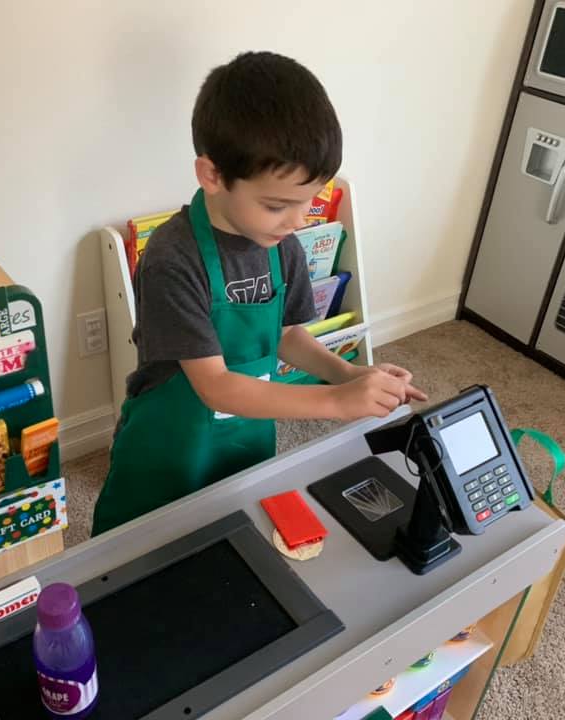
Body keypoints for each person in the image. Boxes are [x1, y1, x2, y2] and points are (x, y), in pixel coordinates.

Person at [91, 51, 426, 535]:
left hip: (245, 439)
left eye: (309, 201)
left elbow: (286, 335)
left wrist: (348, 373)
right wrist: (336, 402)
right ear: (212, 175)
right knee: (142, 548)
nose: (298, 220)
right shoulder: (172, 258)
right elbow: (216, 386)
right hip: (167, 449)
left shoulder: (281, 245)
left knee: (234, 534)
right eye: (276, 205)